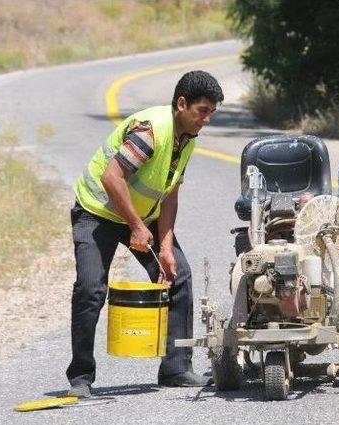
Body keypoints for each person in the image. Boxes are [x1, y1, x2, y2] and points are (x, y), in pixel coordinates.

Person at [66, 70, 224, 397]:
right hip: (97, 212)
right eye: (203, 111)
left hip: (140, 215)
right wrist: (136, 226)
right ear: (182, 103)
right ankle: (81, 377)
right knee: (91, 289)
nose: (207, 119)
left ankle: (176, 368)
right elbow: (112, 178)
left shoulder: (188, 138)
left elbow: (170, 194)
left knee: (176, 274)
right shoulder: (151, 131)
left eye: (212, 112)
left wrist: (165, 246)